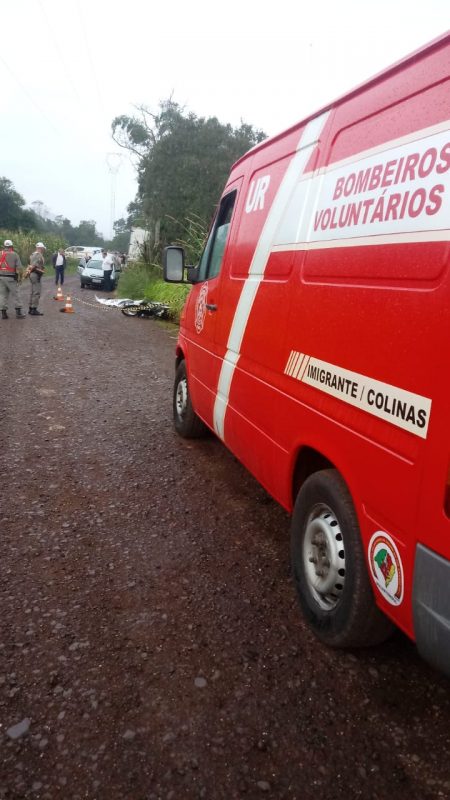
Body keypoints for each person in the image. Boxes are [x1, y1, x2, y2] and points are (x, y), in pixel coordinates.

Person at [0, 239, 26, 319]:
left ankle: (3, 313)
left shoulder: (0, 253)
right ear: (11, 246)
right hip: (11, 278)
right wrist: (20, 277)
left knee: (3, 295)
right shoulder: (14, 254)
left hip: (1, 277)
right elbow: (20, 268)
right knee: (16, 294)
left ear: (4, 246)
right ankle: (18, 312)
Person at [28, 242, 46, 316]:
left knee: (33, 291)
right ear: (40, 248)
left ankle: (30, 308)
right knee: (36, 292)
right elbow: (34, 266)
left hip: (32, 274)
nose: (43, 249)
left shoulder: (32, 254)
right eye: (43, 248)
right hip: (36, 274)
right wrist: (40, 271)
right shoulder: (38, 255)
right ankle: (34, 309)